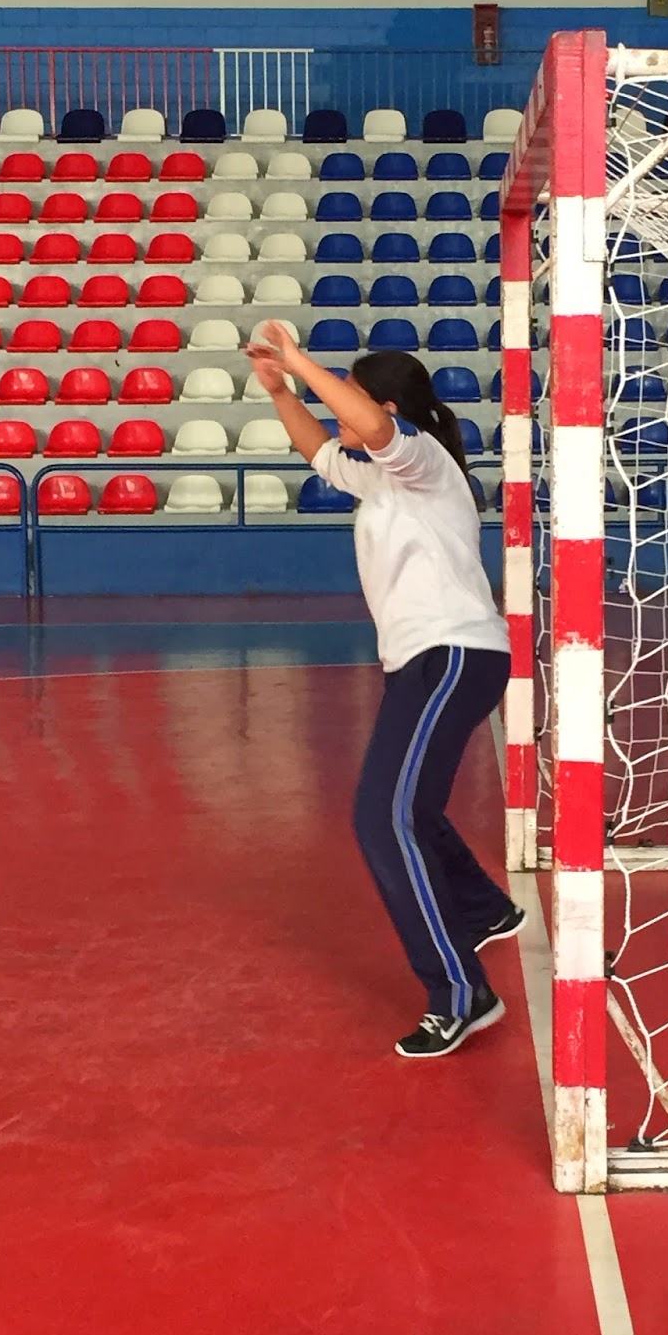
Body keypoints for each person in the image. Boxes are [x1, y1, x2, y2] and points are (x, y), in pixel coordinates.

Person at [246, 320, 524, 1058]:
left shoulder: (423, 459)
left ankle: (461, 992)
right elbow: (322, 454)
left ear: (389, 409)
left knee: (382, 817)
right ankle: (485, 909)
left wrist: (302, 360)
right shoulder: (382, 476)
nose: (343, 416)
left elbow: (365, 425)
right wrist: (280, 391)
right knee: (413, 807)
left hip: (453, 651)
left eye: (355, 402)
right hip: (429, 659)